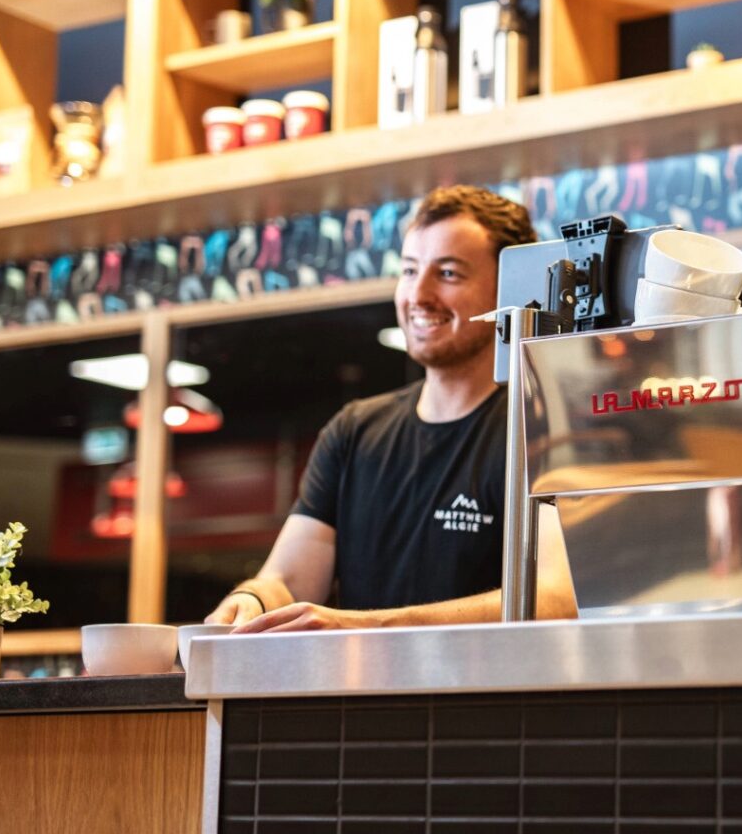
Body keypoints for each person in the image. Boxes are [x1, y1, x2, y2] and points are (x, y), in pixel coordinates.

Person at [207, 185, 577, 632]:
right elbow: (287, 580)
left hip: (487, 699)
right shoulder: (353, 431)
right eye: (409, 270)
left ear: (507, 291)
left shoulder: (542, 424)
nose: (417, 295)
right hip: (355, 701)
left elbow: (558, 597)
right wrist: (251, 599)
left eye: (448, 274)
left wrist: (366, 627)